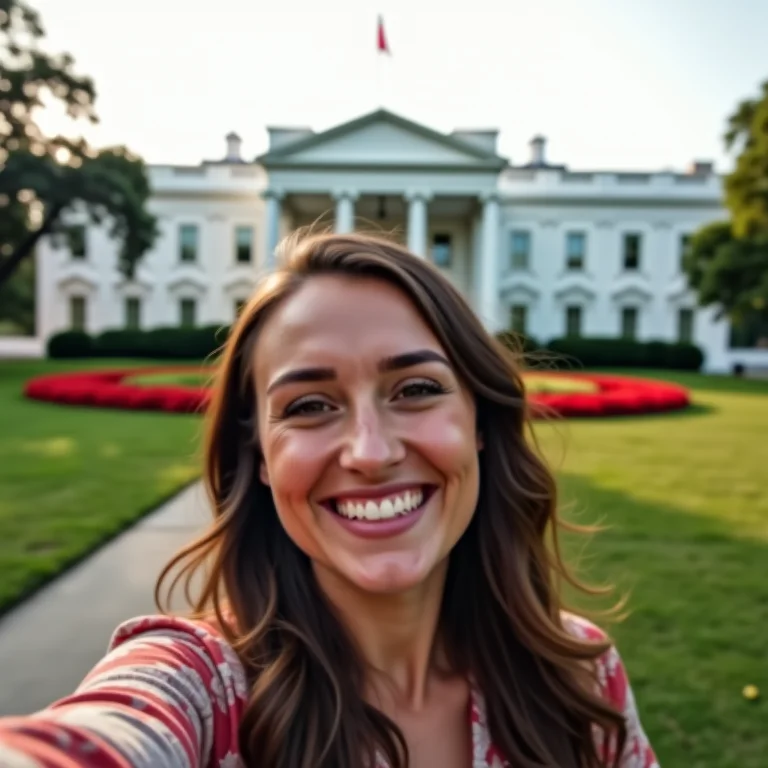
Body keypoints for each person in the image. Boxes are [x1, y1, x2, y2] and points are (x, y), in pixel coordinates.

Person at [0, 231, 658, 768]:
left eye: (417, 390)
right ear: (257, 457)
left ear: (479, 422)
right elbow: (100, 738)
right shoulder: (204, 690)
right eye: (309, 406)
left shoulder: (580, 676)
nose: (370, 453)